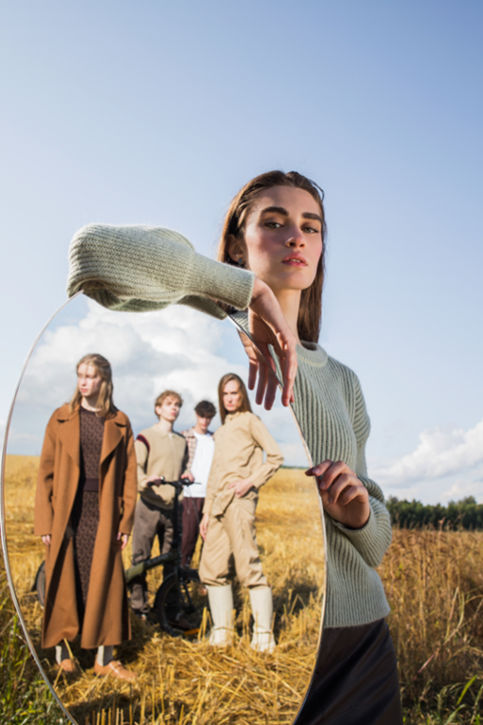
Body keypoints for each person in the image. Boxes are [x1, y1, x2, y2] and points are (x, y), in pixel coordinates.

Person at [67, 170, 403, 722]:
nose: (296, 237)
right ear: (234, 245)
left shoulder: (342, 380)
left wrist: (360, 514)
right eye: (273, 223)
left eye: (310, 227)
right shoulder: (210, 346)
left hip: (361, 647)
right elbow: (92, 255)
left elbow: (377, 547)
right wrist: (243, 291)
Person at [34, 353, 137, 681]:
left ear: (104, 381)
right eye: (80, 374)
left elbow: (130, 477)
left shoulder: (119, 421)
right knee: (65, 579)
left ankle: (104, 659)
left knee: (105, 581)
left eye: (91, 376)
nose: (83, 381)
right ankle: (64, 656)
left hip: (103, 511)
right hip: (68, 511)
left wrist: (124, 522)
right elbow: (45, 473)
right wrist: (45, 521)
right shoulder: (61, 418)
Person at [198, 373, 283, 651]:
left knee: (248, 565)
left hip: (239, 500)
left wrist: (249, 482)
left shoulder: (250, 421)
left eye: (235, 393)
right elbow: (214, 475)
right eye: (226, 394)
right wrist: (206, 513)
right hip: (218, 503)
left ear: (242, 395)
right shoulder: (221, 431)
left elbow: (275, 456)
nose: (230, 398)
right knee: (211, 567)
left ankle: (263, 635)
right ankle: (222, 633)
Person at [130, 390, 190, 626]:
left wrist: (186, 475)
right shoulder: (145, 437)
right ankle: (139, 609)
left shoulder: (181, 441)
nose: (173, 408)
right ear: (158, 409)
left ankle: (168, 610)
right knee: (141, 558)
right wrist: (146, 480)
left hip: (172, 508)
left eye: (176, 405)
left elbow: (183, 467)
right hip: (148, 505)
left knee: (172, 563)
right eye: (168, 404)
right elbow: (136, 467)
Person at [180, 399, 216, 568]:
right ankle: (182, 577)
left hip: (210, 496)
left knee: (209, 539)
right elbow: (177, 462)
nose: (205, 421)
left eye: (208, 417)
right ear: (196, 415)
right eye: (202, 416)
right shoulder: (184, 436)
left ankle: (204, 579)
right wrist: (184, 472)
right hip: (190, 495)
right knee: (187, 538)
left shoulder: (215, 439)